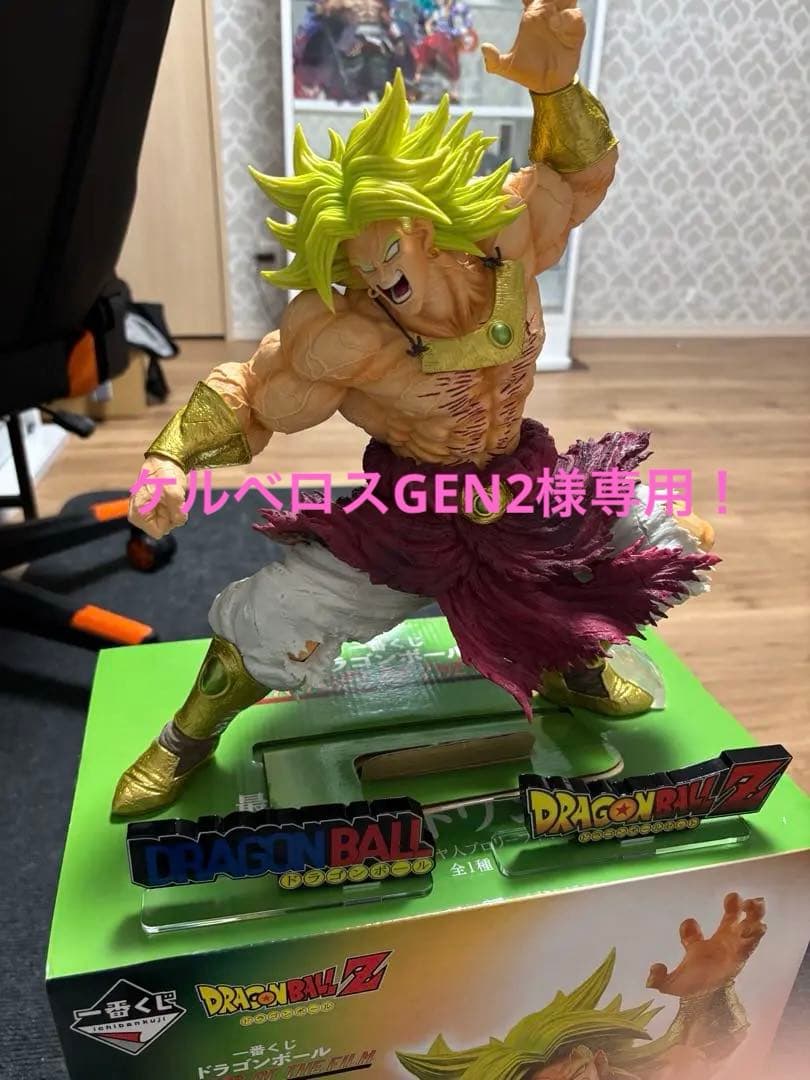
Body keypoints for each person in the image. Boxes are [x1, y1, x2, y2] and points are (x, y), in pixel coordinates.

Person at [114, 1, 716, 817]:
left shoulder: (509, 242)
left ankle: (571, 666)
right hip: (414, 512)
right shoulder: (346, 335)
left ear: (426, 225)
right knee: (272, 616)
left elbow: (582, 178)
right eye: (357, 262)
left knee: (661, 531)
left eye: (390, 246)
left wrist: (556, 90)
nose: (379, 274)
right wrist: (169, 459)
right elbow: (254, 392)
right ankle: (185, 738)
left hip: (523, 484)